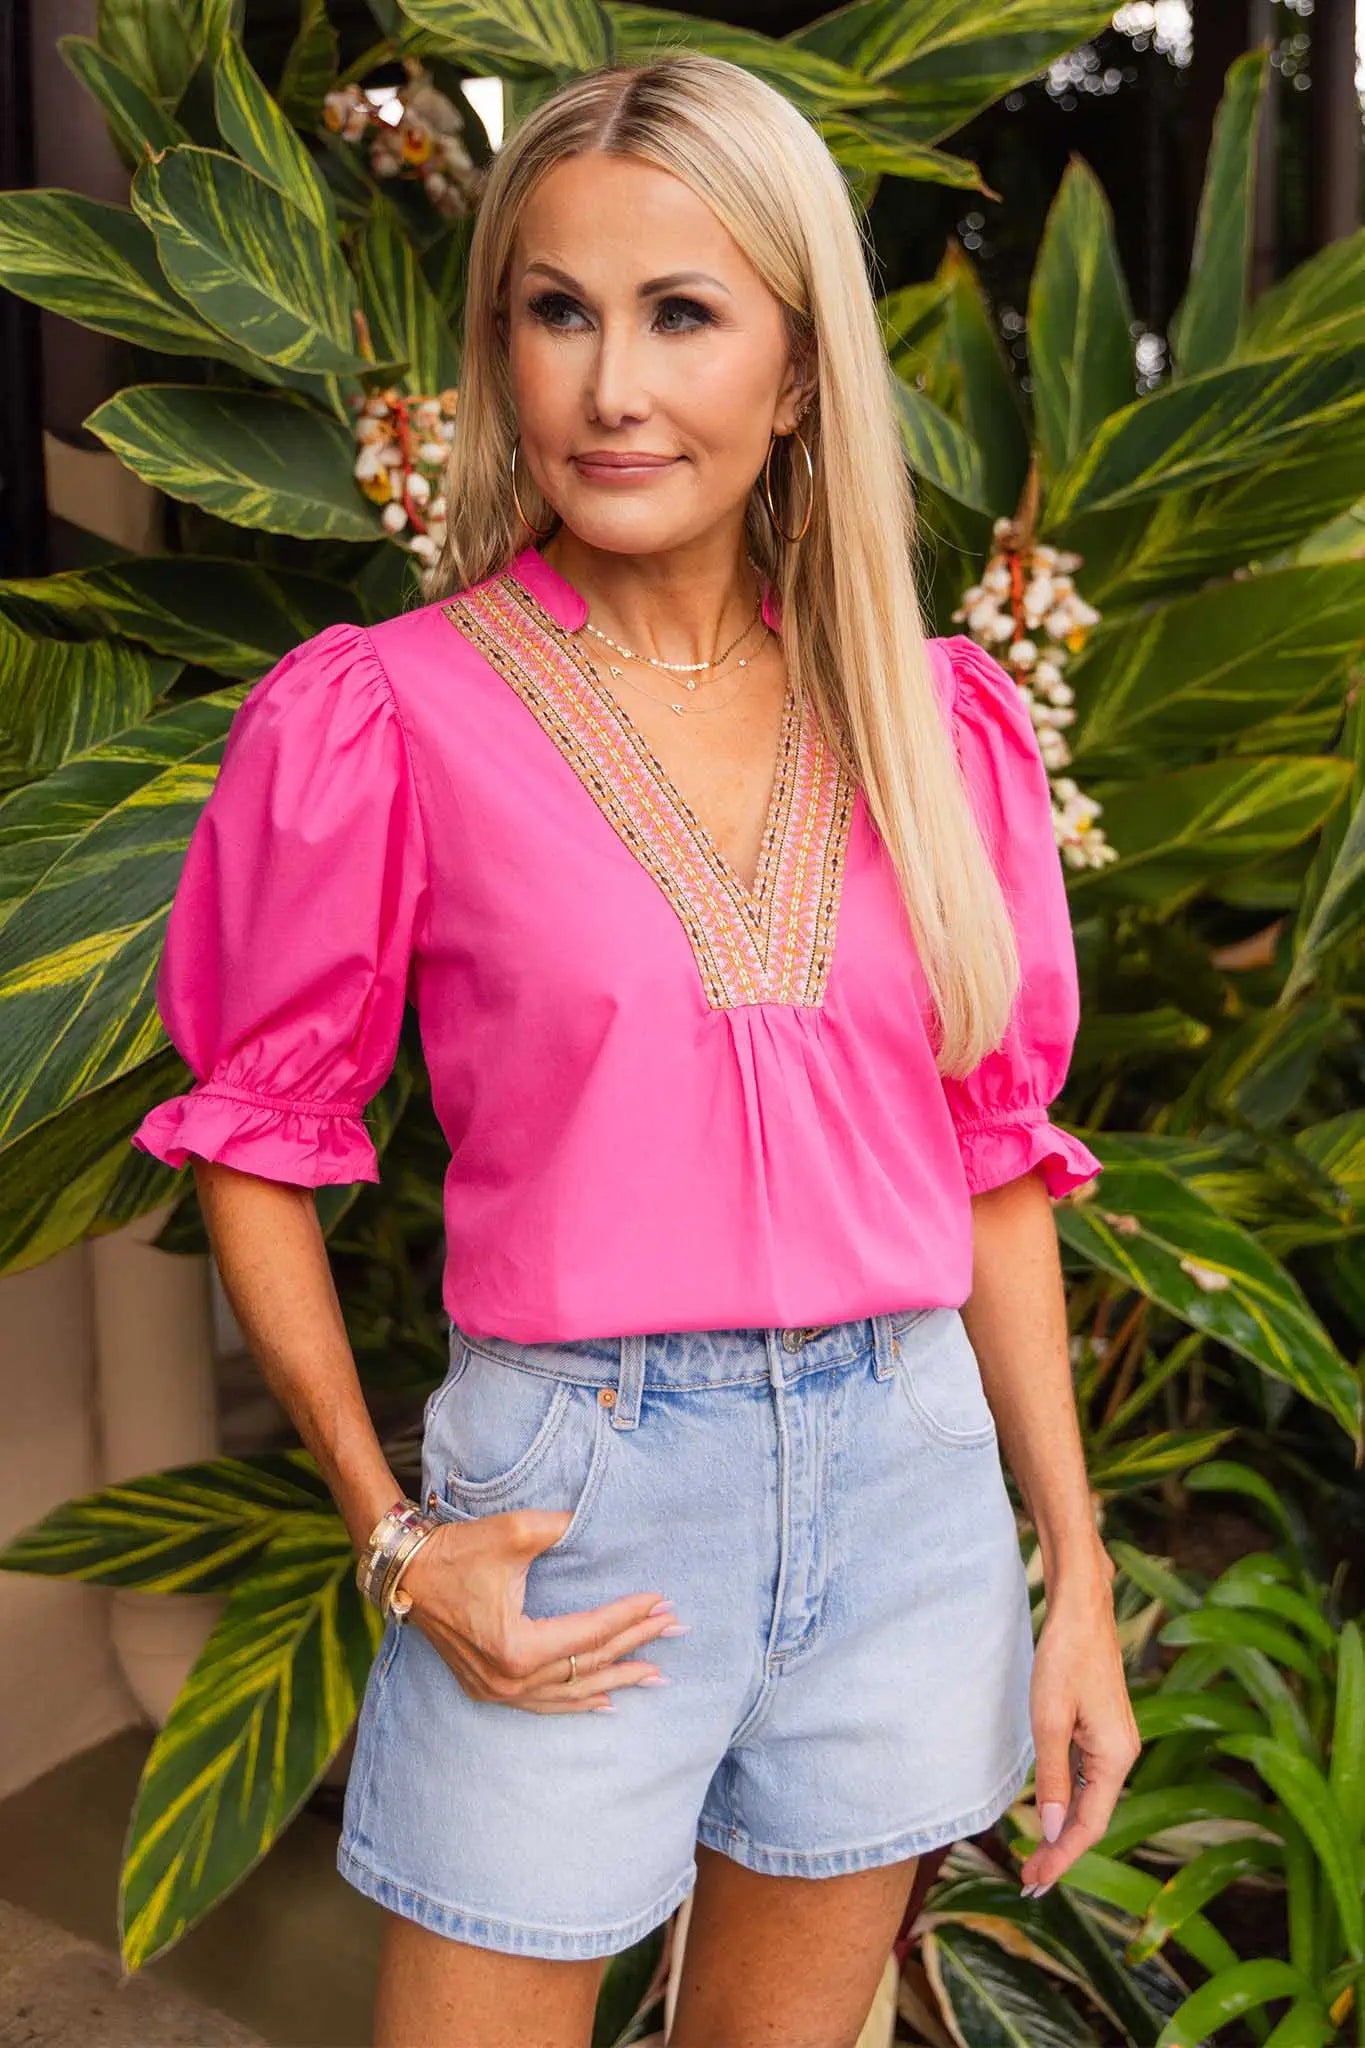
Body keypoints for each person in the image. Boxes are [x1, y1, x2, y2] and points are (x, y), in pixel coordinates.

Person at [129, 49, 1139, 2048]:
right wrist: (388, 1528)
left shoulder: (934, 732)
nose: (610, 387)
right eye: (555, 311)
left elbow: (994, 1162)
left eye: (681, 315)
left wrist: (1077, 1579)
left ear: (791, 373)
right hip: (574, 1511)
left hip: (902, 1489)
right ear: (499, 346)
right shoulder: (384, 714)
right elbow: (257, 1136)